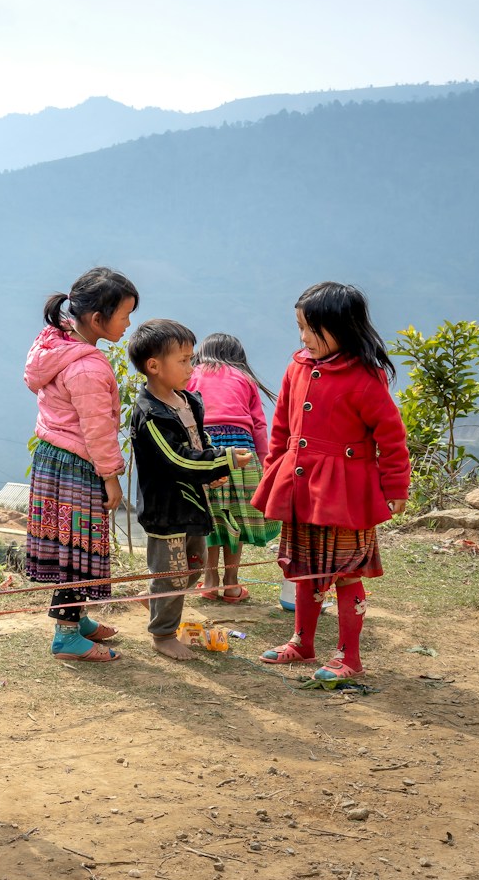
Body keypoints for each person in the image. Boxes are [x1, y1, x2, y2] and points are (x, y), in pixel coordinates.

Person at [254, 283, 411, 682]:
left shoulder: (365, 377)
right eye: (300, 328)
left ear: (341, 327)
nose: (303, 337)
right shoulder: (297, 367)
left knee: (346, 572)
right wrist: (274, 470)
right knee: (305, 567)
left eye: (311, 329)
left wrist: (395, 488)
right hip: (300, 488)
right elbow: (282, 426)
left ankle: (349, 656)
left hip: (346, 492)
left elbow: (390, 437)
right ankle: (302, 643)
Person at [23, 267, 138, 662]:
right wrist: (112, 478)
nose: (128, 324)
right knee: (76, 547)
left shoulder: (55, 343)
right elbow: (98, 430)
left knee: (71, 544)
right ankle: (67, 636)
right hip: (77, 462)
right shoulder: (87, 368)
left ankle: (76, 618)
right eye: (124, 315)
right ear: (96, 319)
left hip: (53, 456)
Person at [127, 320, 250, 661]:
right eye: (182, 360)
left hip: (193, 505)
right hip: (166, 510)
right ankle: (163, 634)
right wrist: (222, 462)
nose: (190, 367)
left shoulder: (189, 401)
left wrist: (211, 468)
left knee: (192, 567)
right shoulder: (150, 415)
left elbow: (200, 442)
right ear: (154, 366)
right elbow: (177, 461)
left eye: (190, 358)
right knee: (172, 575)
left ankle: (156, 597)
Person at [186, 333, 281, 604]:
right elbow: (259, 426)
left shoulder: (192, 373)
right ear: (237, 357)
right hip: (242, 452)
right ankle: (231, 583)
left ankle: (210, 579)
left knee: (212, 516)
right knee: (235, 518)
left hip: (206, 450)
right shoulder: (245, 379)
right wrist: (264, 463)